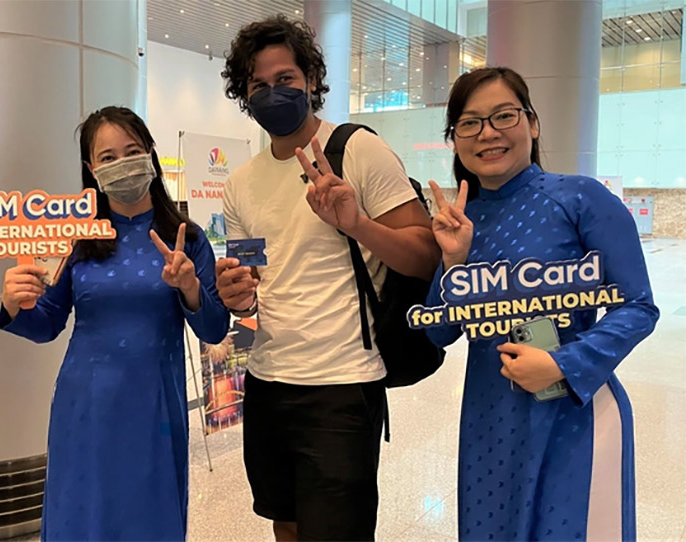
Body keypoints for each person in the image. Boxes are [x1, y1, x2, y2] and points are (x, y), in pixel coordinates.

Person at [216, 15, 440, 541]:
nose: (274, 93)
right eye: (259, 85)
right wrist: (235, 292)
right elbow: (252, 281)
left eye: (286, 79)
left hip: (342, 385)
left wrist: (357, 223)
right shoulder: (241, 184)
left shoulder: (357, 149)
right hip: (268, 380)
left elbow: (426, 254)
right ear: (244, 95)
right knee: (286, 524)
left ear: (312, 81)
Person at [425, 67, 659, 541]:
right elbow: (439, 331)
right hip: (489, 419)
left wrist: (561, 363)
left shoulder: (580, 198)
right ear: (456, 140)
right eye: (469, 123)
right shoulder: (463, 221)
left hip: (573, 412)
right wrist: (453, 260)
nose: (487, 133)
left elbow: (638, 306)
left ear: (532, 123)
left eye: (503, 116)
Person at [0, 106, 229, 541]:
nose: (121, 163)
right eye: (107, 157)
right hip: (83, 408)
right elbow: (47, 322)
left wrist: (190, 289)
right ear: (91, 168)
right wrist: (16, 304)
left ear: (150, 157)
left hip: (154, 409)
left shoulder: (187, 239)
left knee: (147, 518)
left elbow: (214, 330)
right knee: (80, 519)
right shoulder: (77, 239)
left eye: (132, 151)